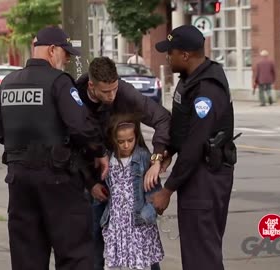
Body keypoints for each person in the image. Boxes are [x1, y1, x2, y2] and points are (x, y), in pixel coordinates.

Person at [0, 26, 110, 270]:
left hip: (19, 182)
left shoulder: (8, 83)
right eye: (65, 53)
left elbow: (0, 134)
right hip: (57, 179)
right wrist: (99, 152)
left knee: (27, 254)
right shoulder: (59, 82)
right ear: (52, 50)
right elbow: (81, 127)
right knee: (74, 253)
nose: (67, 59)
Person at [151, 25, 237, 270]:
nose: (167, 57)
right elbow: (182, 129)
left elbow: (195, 143)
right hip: (196, 177)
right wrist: (168, 152)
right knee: (196, 251)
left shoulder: (207, 89)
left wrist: (167, 190)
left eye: (171, 52)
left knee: (202, 256)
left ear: (185, 55)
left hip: (206, 178)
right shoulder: (190, 79)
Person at [75, 56, 171, 270]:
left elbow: (163, 118)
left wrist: (156, 158)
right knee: (93, 241)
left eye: (114, 89)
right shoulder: (75, 97)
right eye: (106, 92)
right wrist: (90, 183)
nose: (112, 96)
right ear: (92, 85)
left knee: (143, 239)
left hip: (132, 176)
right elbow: (70, 144)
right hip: (94, 177)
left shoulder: (125, 93)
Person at [100, 113, 164, 270]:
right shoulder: (109, 159)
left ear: (136, 137)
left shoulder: (142, 157)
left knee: (140, 264)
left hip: (138, 223)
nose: (126, 145)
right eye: (121, 142)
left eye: (130, 140)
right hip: (116, 222)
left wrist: (149, 212)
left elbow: (154, 191)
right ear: (113, 140)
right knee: (114, 264)